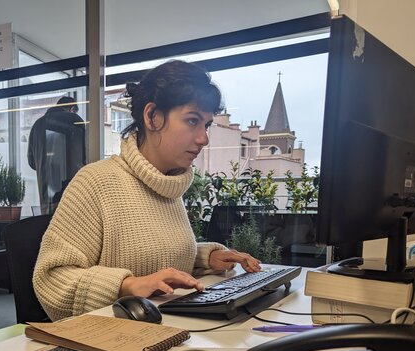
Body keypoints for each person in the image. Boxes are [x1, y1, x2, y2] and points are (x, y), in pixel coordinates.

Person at [34, 60, 261, 321]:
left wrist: (203, 258)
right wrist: (125, 285)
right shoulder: (96, 182)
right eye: (192, 121)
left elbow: (149, 257)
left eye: (206, 125)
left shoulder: (168, 185)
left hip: (163, 330)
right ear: (152, 116)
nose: (204, 138)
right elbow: (51, 280)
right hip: (113, 341)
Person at [28, 96, 86, 215]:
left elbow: (32, 162)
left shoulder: (37, 125)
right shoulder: (74, 120)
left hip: (47, 194)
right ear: (72, 108)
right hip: (74, 190)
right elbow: (85, 155)